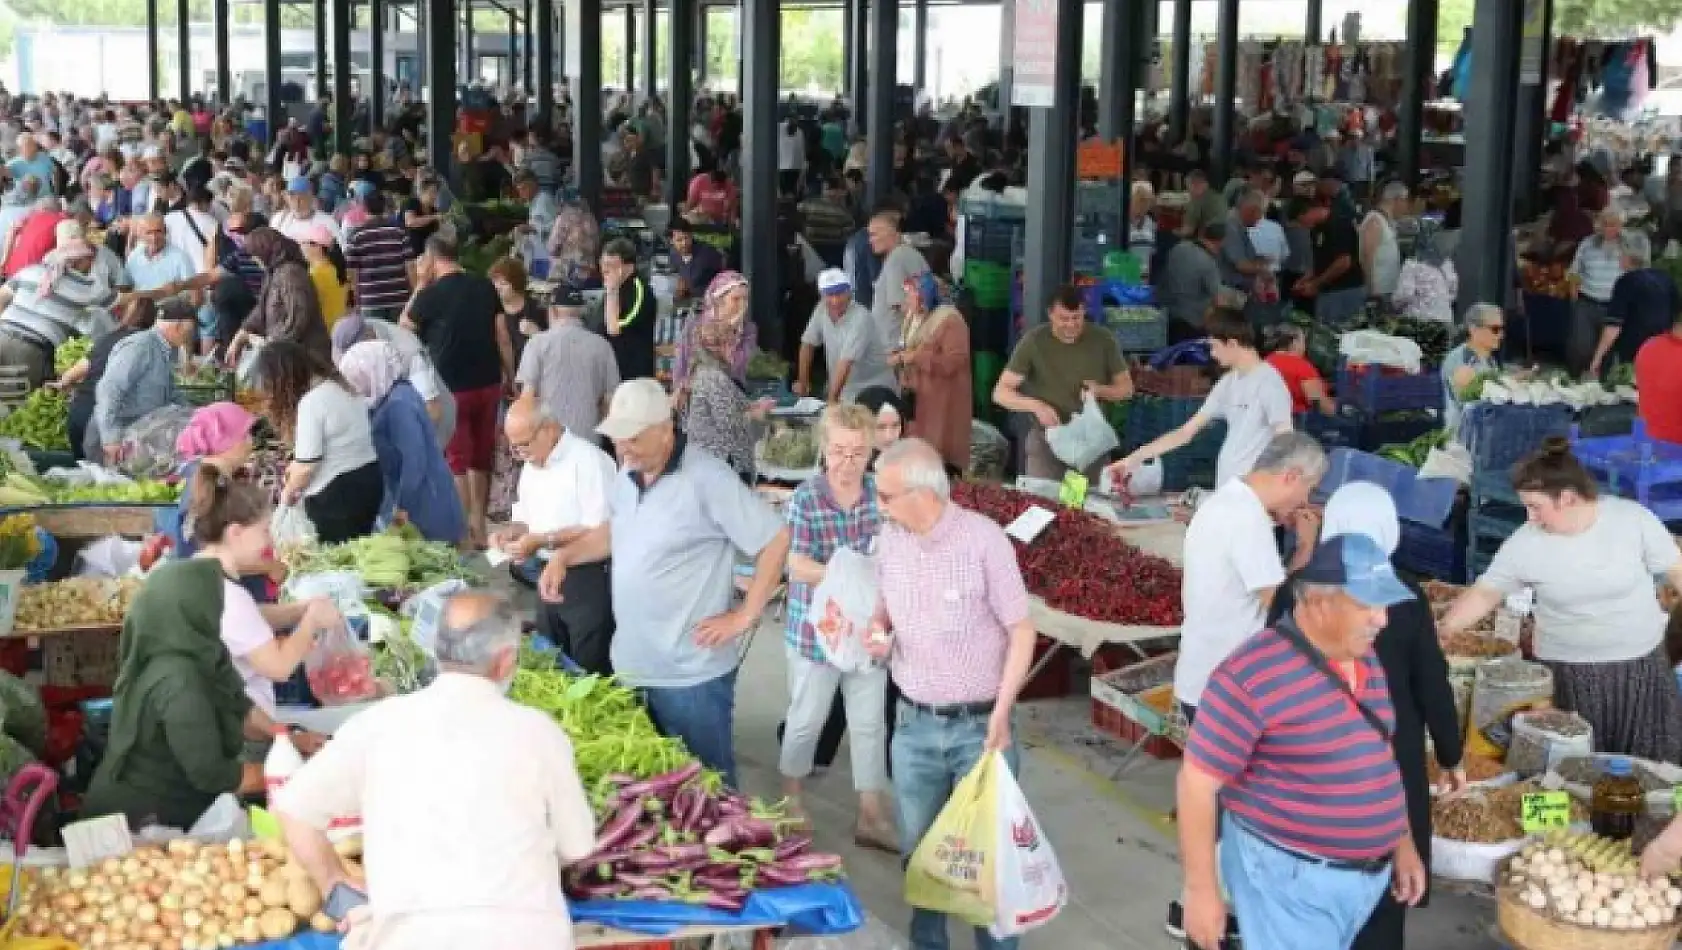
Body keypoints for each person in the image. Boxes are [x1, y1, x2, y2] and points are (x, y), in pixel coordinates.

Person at [273, 591, 597, 949]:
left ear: (436, 651)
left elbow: (293, 810)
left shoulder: (377, 724)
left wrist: (334, 882)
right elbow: (578, 847)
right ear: (505, 661)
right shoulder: (539, 731)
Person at [1178, 532, 1426, 950]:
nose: (1382, 620)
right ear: (1317, 602)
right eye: (1366, 605)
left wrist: (1401, 842)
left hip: (1362, 879)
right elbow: (1196, 786)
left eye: (1384, 605)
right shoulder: (1250, 677)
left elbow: (1380, 754)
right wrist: (1201, 892)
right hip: (1289, 881)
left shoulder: (1366, 660)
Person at [539, 379, 790, 787]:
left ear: (666, 428)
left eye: (634, 438)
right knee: (657, 794)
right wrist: (565, 557)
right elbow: (615, 532)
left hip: (691, 675)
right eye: (618, 439)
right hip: (635, 665)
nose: (623, 449)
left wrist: (745, 615)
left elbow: (774, 539)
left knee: (711, 794)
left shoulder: (708, 478)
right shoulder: (628, 475)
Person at [1269, 483, 1467, 950]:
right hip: (1384, 766)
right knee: (1381, 902)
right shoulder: (1404, 595)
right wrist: (1451, 755)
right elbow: (1431, 683)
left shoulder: (1293, 592)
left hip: (1307, 767)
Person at [865, 438, 1036, 950]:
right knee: (922, 858)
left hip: (979, 731)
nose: (879, 506)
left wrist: (1002, 716)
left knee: (989, 862)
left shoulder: (984, 542)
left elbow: (1022, 631)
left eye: (886, 496)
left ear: (923, 495)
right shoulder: (890, 541)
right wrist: (877, 632)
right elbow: (883, 611)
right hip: (913, 725)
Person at [1161, 430, 1324, 941]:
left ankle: (1198, 909)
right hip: (1227, 689)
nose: (1304, 503)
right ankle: (1209, 917)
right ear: (1290, 476)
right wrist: (1308, 547)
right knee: (1236, 812)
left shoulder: (1223, 502)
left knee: (1217, 804)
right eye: (1307, 491)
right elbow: (1283, 606)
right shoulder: (1247, 519)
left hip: (1204, 679)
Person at [1438, 438, 1682, 764]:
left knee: (1648, 768)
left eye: (1535, 507)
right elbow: (1486, 592)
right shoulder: (1526, 543)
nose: (1530, 517)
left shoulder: (1632, 520)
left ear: (1567, 498)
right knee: (1574, 769)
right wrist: (1445, 627)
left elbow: (1676, 571)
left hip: (1641, 671)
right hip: (1568, 675)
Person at [79, 498, 291, 829]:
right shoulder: (178, 681)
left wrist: (285, 737)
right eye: (213, 603)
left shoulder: (199, 650)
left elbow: (237, 702)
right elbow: (213, 774)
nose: (218, 611)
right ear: (190, 609)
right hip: (137, 821)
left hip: (166, 811)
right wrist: (288, 773)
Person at [779, 404, 897, 850]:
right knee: (806, 719)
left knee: (869, 725)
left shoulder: (878, 495)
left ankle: (871, 812)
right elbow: (795, 563)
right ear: (824, 450)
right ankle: (791, 797)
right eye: (840, 452)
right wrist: (844, 573)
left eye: (858, 453)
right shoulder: (806, 498)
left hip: (867, 630)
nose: (848, 463)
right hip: (816, 634)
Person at [494, 397, 618, 674]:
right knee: (550, 658)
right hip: (544, 572)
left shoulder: (589, 461)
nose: (519, 453)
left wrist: (542, 540)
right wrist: (510, 534)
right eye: (513, 447)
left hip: (589, 575)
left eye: (523, 444)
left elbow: (599, 528)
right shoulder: (532, 463)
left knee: (589, 664)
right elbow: (526, 520)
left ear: (549, 429)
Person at [402, 234, 508, 548]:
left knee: (457, 458)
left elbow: (403, 327)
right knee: (481, 455)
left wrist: (420, 284)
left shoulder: (431, 293)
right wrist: (511, 375)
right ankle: (479, 524)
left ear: (433, 260)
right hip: (488, 381)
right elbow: (502, 334)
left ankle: (463, 530)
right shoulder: (484, 286)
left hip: (451, 387)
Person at [1110, 308, 1293, 488]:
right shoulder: (1228, 382)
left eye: (1214, 346)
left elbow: (1285, 439)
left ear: (1232, 344)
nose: (1212, 354)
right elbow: (1185, 433)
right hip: (1228, 488)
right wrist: (1132, 459)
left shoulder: (1270, 384)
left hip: (1256, 492)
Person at [993, 284, 1132, 480]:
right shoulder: (1034, 341)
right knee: (1042, 506)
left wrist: (1100, 390)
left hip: (1091, 445)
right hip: (1046, 443)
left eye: (1076, 318)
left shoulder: (1103, 340)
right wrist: (1037, 406)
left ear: (1084, 310)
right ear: (1050, 314)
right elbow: (1001, 393)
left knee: (1090, 506)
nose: (1071, 325)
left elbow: (1126, 389)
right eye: (1063, 319)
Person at [256, 340, 384, 544]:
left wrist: (286, 496)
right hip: (370, 480)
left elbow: (306, 468)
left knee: (334, 561)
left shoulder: (312, 402)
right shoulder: (340, 387)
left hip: (337, 495)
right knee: (357, 552)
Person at [339, 340, 466, 545]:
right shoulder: (392, 394)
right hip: (417, 499)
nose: (355, 387)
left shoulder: (399, 405)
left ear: (372, 371)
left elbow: (415, 460)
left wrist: (402, 506)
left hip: (423, 505)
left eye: (358, 379)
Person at [0, 220, 118, 387]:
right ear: (79, 261)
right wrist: (161, 291)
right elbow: (123, 300)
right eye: (90, 260)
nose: (92, 265)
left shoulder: (31, 271)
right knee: (18, 401)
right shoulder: (87, 287)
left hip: (2, 335)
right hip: (31, 349)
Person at [90, 295, 196, 461]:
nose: (189, 337)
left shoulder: (164, 350)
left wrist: (196, 415)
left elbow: (171, 393)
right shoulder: (141, 346)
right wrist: (111, 438)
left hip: (136, 436)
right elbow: (109, 389)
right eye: (189, 331)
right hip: (114, 441)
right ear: (178, 326)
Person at [332, 311, 457, 446]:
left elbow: (433, 410)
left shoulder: (407, 351)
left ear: (369, 338)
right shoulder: (343, 342)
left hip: (431, 427)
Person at [683, 292, 772, 480]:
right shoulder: (712, 377)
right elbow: (730, 424)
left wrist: (753, 405)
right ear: (721, 346)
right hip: (720, 467)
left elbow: (729, 407)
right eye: (732, 344)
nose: (735, 349)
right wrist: (756, 414)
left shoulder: (713, 371)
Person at [892, 270, 971, 475]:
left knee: (938, 457)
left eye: (910, 293)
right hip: (916, 397)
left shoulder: (950, 321)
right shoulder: (914, 316)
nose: (907, 299)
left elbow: (954, 362)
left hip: (941, 401)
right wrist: (899, 356)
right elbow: (907, 346)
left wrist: (915, 358)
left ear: (925, 295)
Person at [515, 286, 621, 440]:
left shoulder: (537, 343)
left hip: (547, 440)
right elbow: (610, 402)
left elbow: (527, 398)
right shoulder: (602, 346)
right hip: (588, 441)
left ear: (552, 311)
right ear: (581, 312)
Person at [59, 298, 154, 460]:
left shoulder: (107, 338)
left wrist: (64, 384)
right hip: (101, 422)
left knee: (86, 476)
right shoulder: (146, 344)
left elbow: (69, 376)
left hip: (79, 414)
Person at [227, 226, 331, 365]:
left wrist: (268, 344)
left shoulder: (291, 274)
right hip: (288, 354)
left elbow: (296, 319)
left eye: (255, 255)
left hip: (306, 357)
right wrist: (241, 334)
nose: (254, 260)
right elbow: (261, 310)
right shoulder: (274, 272)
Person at [796, 268, 897, 404]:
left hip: (874, 390)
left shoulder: (861, 317)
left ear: (849, 292)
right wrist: (803, 382)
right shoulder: (821, 310)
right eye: (829, 295)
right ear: (821, 295)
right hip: (846, 392)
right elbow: (807, 344)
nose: (835, 300)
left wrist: (831, 403)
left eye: (840, 293)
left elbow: (845, 363)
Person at [1567, 208, 1644, 377]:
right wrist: (1574, 299)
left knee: (1608, 349)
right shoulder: (1587, 243)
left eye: (1614, 225)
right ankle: (1576, 378)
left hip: (1614, 305)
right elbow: (1574, 272)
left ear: (1621, 226)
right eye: (1606, 225)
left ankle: (1602, 384)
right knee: (1580, 346)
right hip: (1587, 301)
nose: (1609, 229)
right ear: (1600, 226)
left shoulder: (1627, 246)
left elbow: (1637, 272)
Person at [1591, 238, 1681, 379]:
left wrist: (1597, 359)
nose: (1619, 258)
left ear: (1628, 258)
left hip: (1635, 352)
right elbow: (1675, 317)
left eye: (1620, 255)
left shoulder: (1626, 282)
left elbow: (1613, 326)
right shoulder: (1665, 278)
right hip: (1661, 349)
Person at [1296, 200, 1367, 327]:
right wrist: (1306, 279)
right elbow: (1320, 261)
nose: (1303, 226)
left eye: (1302, 221)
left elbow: (1343, 262)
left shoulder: (1339, 224)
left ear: (1311, 211)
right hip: (1326, 292)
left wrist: (1315, 284)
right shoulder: (1316, 230)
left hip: (1345, 290)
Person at [342, 192, 411, 322]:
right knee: (400, 339)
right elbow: (410, 265)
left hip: (370, 300)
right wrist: (413, 294)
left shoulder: (356, 235)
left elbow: (352, 272)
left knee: (375, 341)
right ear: (384, 207)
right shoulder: (399, 231)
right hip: (399, 298)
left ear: (364, 208)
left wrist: (357, 299)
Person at [866, 209, 929, 348]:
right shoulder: (906, 253)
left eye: (874, 234)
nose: (870, 240)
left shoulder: (897, 258)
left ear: (892, 233)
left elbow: (904, 306)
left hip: (893, 347)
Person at [1440, 302, 1505, 435]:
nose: (1500, 335)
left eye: (1501, 329)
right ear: (1474, 329)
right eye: (1495, 329)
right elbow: (1468, 405)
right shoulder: (1460, 360)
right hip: (1463, 436)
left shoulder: (1489, 360)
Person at [1158, 222, 1226, 341]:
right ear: (1220, 243)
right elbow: (1220, 302)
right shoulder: (1208, 263)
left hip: (1167, 316)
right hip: (1193, 324)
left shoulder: (1178, 247)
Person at [600, 237, 656, 381]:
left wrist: (612, 290)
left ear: (628, 266)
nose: (605, 269)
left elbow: (614, 328)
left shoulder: (640, 291)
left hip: (632, 372)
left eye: (611, 264)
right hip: (610, 367)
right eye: (603, 263)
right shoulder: (612, 288)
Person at [1261, 323, 1336, 416]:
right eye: (1303, 341)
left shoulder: (1264, 364)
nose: (1305, 347)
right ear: (1294, 342)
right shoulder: (1301, 366)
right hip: (1296, 424)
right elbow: (1321, 405)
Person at [1391, 221, 1458, 323]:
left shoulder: (1412, 265)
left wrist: (1393, 305)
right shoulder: (1447, 264)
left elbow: (1404, 294)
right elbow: (1453, 293)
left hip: (1418, 323)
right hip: (1445, 320)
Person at [488, 256, 542, 374]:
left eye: (503, 283)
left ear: (516, 284)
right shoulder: (492, 310)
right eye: (495, 282)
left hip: (536, 371)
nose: (498, 288)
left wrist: (537, 333)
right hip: (505, 375)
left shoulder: (536, 307)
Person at [299, 223, 348, 331]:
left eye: (303, 243)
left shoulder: (315, 275)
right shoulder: (338, 269)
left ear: (317, 247)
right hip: (340, 329)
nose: (301, 247)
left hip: (323, 333)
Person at [1361, 182, 1406, 300]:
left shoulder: (1387, 220)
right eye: (1405, 200)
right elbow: (1367, 255)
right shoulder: (1375, 220)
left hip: (1389, 289)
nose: (1405, 205)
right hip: (1379, 291)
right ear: (1396, 199)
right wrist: (1372, 288)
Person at [668, 218, 724, 301]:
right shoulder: (673, 253)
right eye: (679, 240)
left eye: (687, 238)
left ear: (691, 235)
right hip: (688, 300)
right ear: (671, 241)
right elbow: (678, 273)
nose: (684, 243)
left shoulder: (707, 253)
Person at [1178, 169, 1228, 239]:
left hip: (1209, 239)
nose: (1188, 192)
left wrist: (1173, 233)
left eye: (1187, 188)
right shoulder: (1217, 196)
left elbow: (1187, 231)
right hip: (1227, 236)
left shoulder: (1196, 200)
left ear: (1194, 185)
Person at [513, 170, 556, 241]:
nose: (521, 194)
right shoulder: (533, 202)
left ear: (533, 185)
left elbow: (556, 227)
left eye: (523, 188)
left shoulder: (543, 200)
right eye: (519, 190)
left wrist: (532, 229)